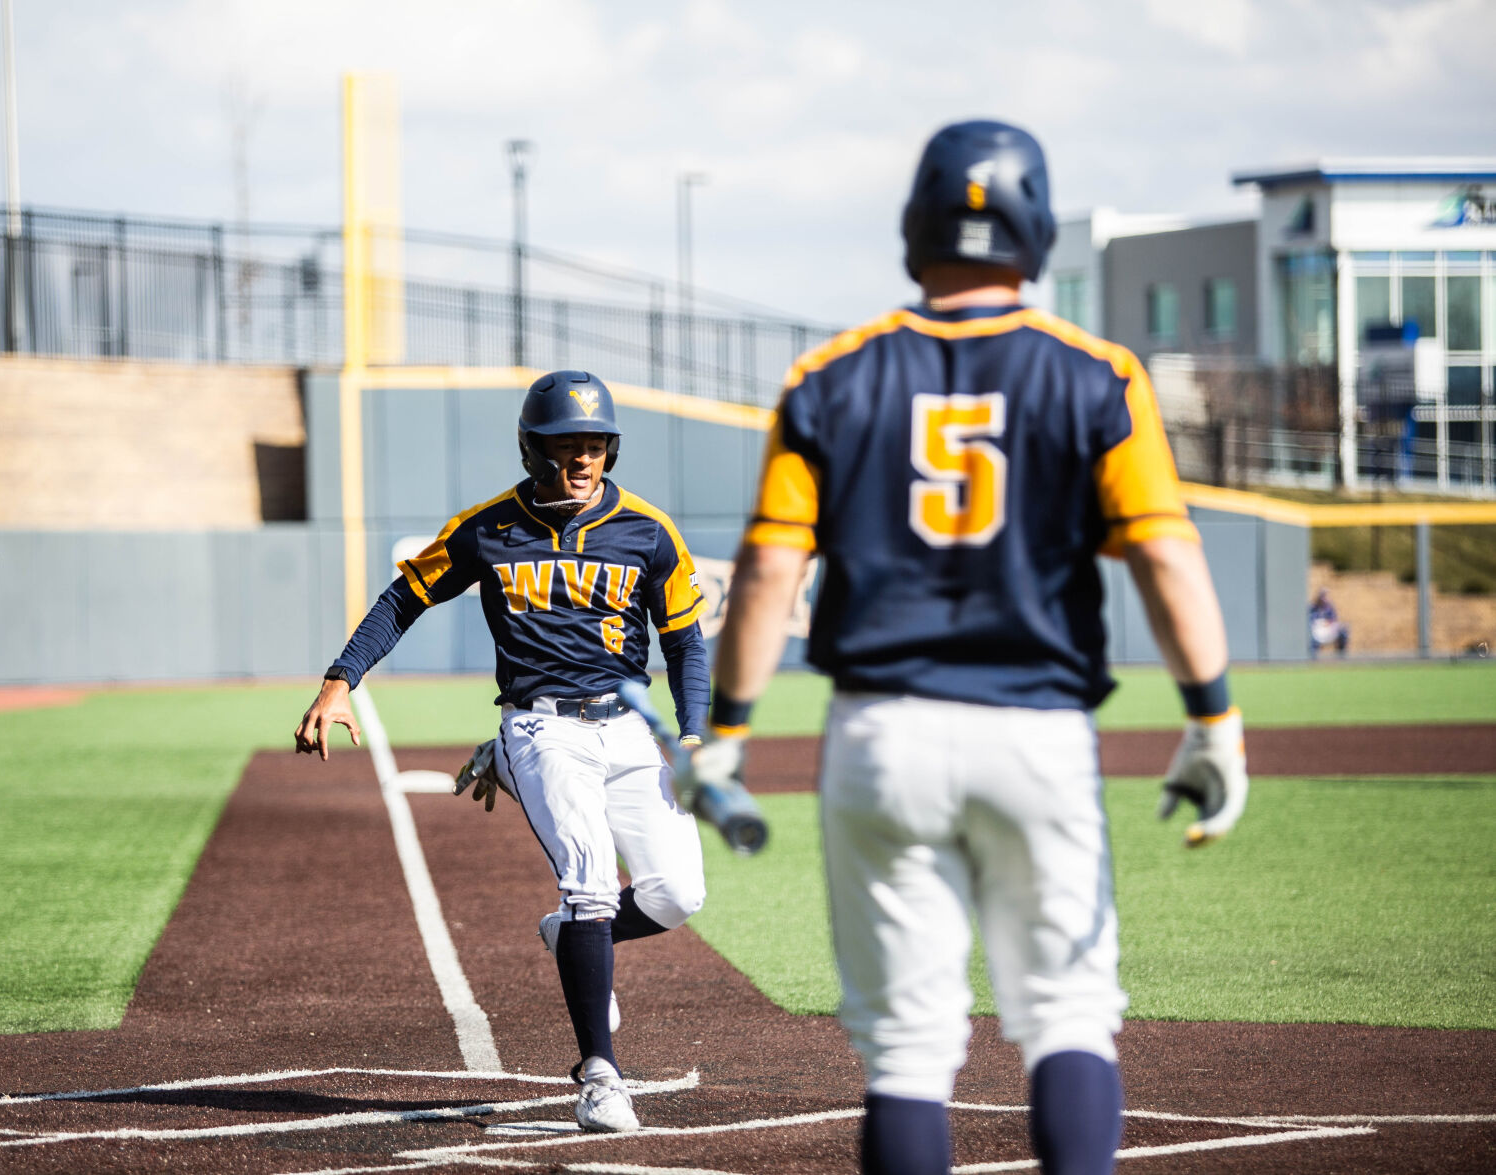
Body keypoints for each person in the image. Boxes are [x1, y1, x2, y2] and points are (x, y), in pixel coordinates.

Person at [688, 121, 1249, 1175]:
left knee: (905, 1046)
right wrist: (1211, 717)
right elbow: (1167, 561)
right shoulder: (1097, 372)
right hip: (1034, 728)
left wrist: (724, 733)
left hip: (879, 731)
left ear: (914, 227)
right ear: (1033, 231)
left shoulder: (827, 375)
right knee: (1068, 1015)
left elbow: (767, 573)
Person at [295, 370, 709, 1134]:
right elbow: (403, 597)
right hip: (541, 726)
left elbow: (685, 640)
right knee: (587, 884)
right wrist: (339, 680)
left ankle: (575, 938)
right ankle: (600, 1074)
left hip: (626, 729)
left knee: (676, 894)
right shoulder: (488, 528)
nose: (582, 460)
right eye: (566, 446)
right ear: (531, 449)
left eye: (594, 445)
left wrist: (692, 735)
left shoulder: (647, 530)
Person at [1308, 588, 1348, 657]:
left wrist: (1327, 623)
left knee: (1343, 632)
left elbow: (1333, 620)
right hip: (1316, 631)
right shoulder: (1313, 608)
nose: (1324, 599)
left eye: (1325, 596)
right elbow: (1311, 621)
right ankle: (1313, 659)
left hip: (1328, 630)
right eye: (1322, 596)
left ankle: (1341, 657)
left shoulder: (1329, 608)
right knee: (1311, 639)